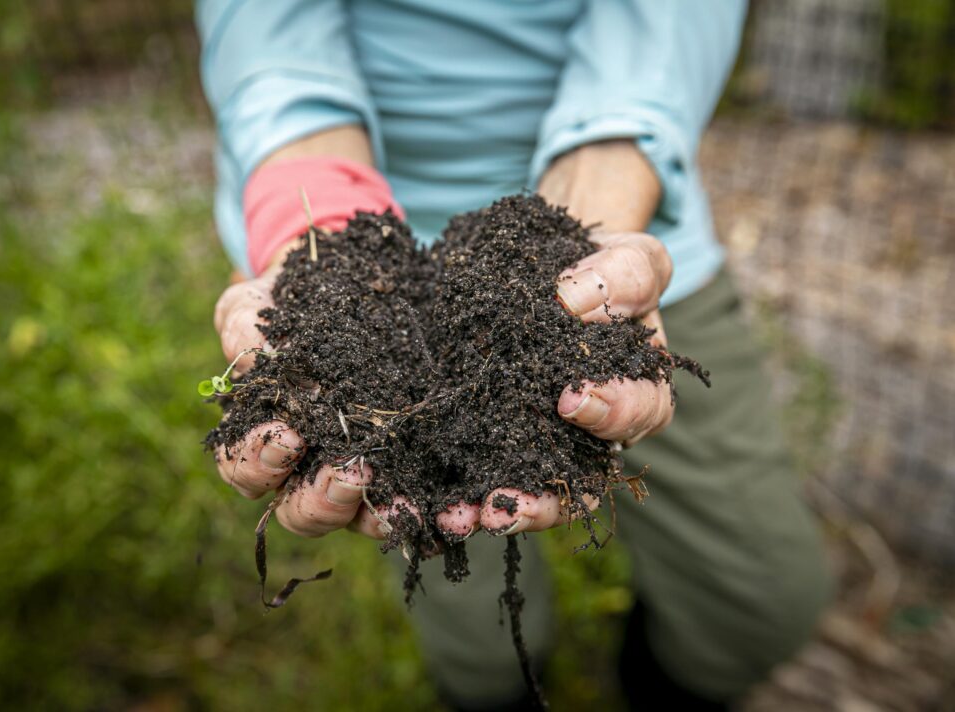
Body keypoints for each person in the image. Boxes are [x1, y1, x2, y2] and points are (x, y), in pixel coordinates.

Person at [197, 2, 832, 709]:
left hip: (610, 242)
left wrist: (601, 188)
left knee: (763, 598)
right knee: (469, 618)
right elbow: (268, 38)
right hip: (351, 237)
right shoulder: (337, 267)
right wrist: (311, 230)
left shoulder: (594, 263)